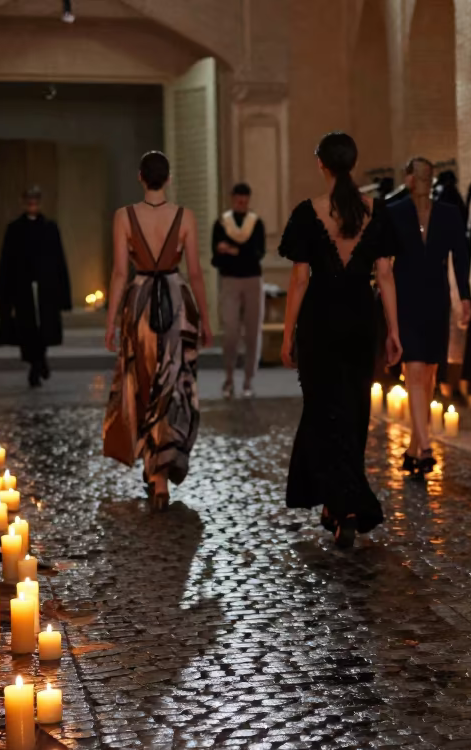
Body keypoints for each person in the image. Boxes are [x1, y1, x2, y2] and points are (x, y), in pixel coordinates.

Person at [279, 132, 401, 548]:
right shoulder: (376, 211)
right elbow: (384, 276)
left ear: (321, 164)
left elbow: (298, 280)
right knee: (353, 410)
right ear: (352, 163)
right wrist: (394, 332)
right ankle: (341, 505)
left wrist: (286, 334)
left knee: (320, 411)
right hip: (360, 318)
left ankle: (341, 502)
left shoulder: (307, 213)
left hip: (319, 319)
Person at [103, 151, 213, 512]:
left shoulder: (124, 217)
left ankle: (155, 474)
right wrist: (206, 319)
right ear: (167, 179)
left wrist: (111, 321)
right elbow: (195, 272)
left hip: (139, 304)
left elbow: (120, 273)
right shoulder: (185, 217)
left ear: (140, 177)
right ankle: (161, 473)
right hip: (176, 301)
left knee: (144, 381)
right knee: (172, 383)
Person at [388, 157, 471, 479]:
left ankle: (413, 448)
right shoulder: (394, 213)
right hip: (405, 298)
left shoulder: (448, 214)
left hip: (436, 300)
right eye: (418, 175)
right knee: (415, 368)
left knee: (430, 372)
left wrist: (464, 296)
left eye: (428, 175)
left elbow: (460, 258)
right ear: (408, 179)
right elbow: (383, 263)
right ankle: (425, 447)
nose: (423, 181)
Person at [0, 186, 72, 387]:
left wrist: (63, 294)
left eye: (35, 200)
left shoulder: (50, 227)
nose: (32, 204)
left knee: (44, 327)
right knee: (27, 329)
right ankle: (37, 363)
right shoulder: (14, 229)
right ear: (23, 202)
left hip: (46, 287)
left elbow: (59, 260)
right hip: (22, 289)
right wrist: (4, 295)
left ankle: (38, 364)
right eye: (29, 200)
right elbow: (7, 262)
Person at [212, 182, 266, 399]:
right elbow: (216, 258)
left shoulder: (256, 224)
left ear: (248, 200)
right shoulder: (221, 224)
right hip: (230, 280)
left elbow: (257, 253)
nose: (241, 202)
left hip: (253, 279)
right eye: (238, 199)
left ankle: (248, 380)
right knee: (231, 332)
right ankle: (228, 378)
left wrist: (231, 250)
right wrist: (233, 252)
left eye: (245, 199)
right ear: (233, 199)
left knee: (252, 332)